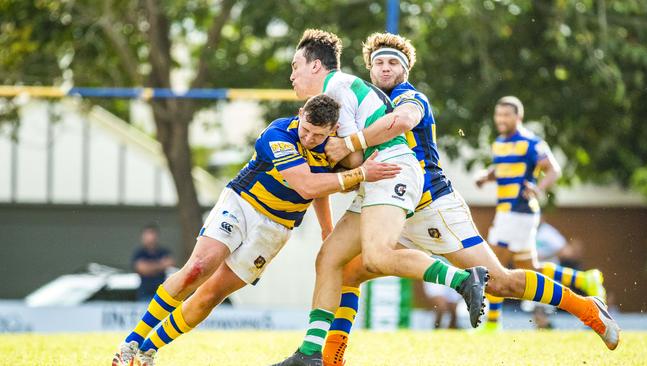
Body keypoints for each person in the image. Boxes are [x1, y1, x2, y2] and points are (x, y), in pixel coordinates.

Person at [314, 33, 620, 366]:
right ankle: (332, 359)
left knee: (499, 282)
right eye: (379, 63)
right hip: (389, 206)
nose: (385, 69)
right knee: (346, 272)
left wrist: (347, 144)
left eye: (393, 63)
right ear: (370, 70)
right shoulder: (362, 104)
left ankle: (587, 308)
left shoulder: (410, 97)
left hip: (432, 205)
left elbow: (403, 120)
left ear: (405, 70)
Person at [111, 94, 402, 366]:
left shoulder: (332, 147)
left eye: (319, 135)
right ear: (301, 114)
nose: (311, 138)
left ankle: (148, 351)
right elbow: (307, 185)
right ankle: (130, 343)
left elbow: (320, 188)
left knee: (211, 296)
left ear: (333, 129)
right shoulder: (279, 134)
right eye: (307, 130)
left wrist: (327, 230)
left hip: (276, 228)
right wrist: (360, 173)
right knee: (198, 268)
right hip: (243, 204)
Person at [273, 29, 488, 366]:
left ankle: (463, 279)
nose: (292, 74)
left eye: (296, 65)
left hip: (391, 169)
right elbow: (347, 166)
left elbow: (355, 160)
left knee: (378, 256)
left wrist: (333, 155)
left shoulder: (337, 91)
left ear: (316, 66)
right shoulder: (332, 96)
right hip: (378, 173)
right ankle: (311, 354)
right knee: (329, 258)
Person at [475, 96, 607, 330]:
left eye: (506, 115)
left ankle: (492, 324)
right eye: (498, 114)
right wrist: (487, 176)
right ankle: (585, 279)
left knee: (493, 266)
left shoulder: (531, 142)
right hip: (507, 212)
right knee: (530, 269)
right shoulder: (499, 143)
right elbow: (502, 168)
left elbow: (553, 169)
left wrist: (538, 188)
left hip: (518, 211)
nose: (501, 119)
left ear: (518, 117)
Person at [132, 224, 176, 301]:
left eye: (152, 234)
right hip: (144, 293)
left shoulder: (163, 251)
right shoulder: (139, 252)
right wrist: (160, 265)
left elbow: (170, 263)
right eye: (148, 234)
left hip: (162, 293)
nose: (151, 238)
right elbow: (141, 268)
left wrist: (149, 266)